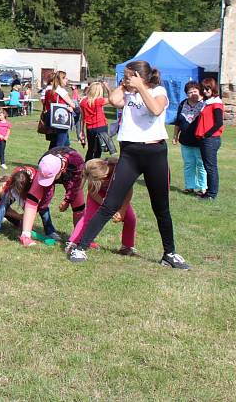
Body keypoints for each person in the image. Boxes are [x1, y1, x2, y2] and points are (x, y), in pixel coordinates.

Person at [67, 60, 190, 269]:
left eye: (128, 75)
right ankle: (80, 247)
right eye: (124, 76)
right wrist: (126, 85)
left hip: (155, 153)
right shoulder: (128, 94)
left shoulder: (158, 91)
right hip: (130, 154)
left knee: (161, 207)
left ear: (140, 77)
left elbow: (156, 110)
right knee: (110, 204)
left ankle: (170, 253)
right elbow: (114, 101)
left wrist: (141, 86)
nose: (124, 78)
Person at [66, 157, 137, 256]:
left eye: (105, 178)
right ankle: (73, 242)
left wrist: (122, 210)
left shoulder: (120, 169)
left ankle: (127, 246)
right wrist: (105, 204)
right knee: (88, 217)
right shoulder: (94, 174)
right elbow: (92, 192)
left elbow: (129, 190)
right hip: (98, 195)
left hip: (117, 194)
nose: (103, 181)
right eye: (100, 180)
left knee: (130, 218)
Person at [16, 147, 85, 246]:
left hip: (71, 174)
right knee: (33, 198)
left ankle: (80, 237)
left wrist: (67, 200)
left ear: (61, 170)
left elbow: (75, 186)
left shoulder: (77, 162)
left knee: (78, 204)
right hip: (52, 170)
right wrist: (41, 206)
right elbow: (36, 198)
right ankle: (25, 235)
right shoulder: (44, 162)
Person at [172, 81, 206, 195]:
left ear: (199, 91)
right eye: (190, 92)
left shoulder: (204, 104)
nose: (193, 94)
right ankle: (189, 187)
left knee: (201, 165)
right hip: (185, 141)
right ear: (186, 94)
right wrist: (175, 136)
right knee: (188, 164)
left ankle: (203, 187)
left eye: (195, 91)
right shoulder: (183, 104)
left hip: (200, 142)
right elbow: (178, 121)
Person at [196, 78, 224, 201]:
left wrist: (207, 134)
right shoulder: (207, 102)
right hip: (207, 139)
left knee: (211, 167)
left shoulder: (216, 103)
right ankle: (208, 191)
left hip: (211, 140)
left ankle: (212, 194)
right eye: (203, 88)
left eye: (207, 88)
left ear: (213, 89)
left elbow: (219, 123)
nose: (205, 90)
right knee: (208, 166)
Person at [78, 81, 111, 160]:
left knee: (91, 149)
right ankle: (95, 167)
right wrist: (108, 88)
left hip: (90, 128)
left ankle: (87, 165)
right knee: (99, 150)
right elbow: (112, 99)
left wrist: (82, 131)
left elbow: (82, 118)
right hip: (101, 127)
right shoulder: (99, 101)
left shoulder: (83, 102)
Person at [43, 70, 74, 149]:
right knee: (60, 143)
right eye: (65, 78)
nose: (67, 80)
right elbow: (72, 104)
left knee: (59, 142)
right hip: (61, 119)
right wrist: (70, 107)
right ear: (61, 79)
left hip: (51, 117)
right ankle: (54, 158)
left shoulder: (49, 90)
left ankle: (50, 157)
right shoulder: (61, 91)